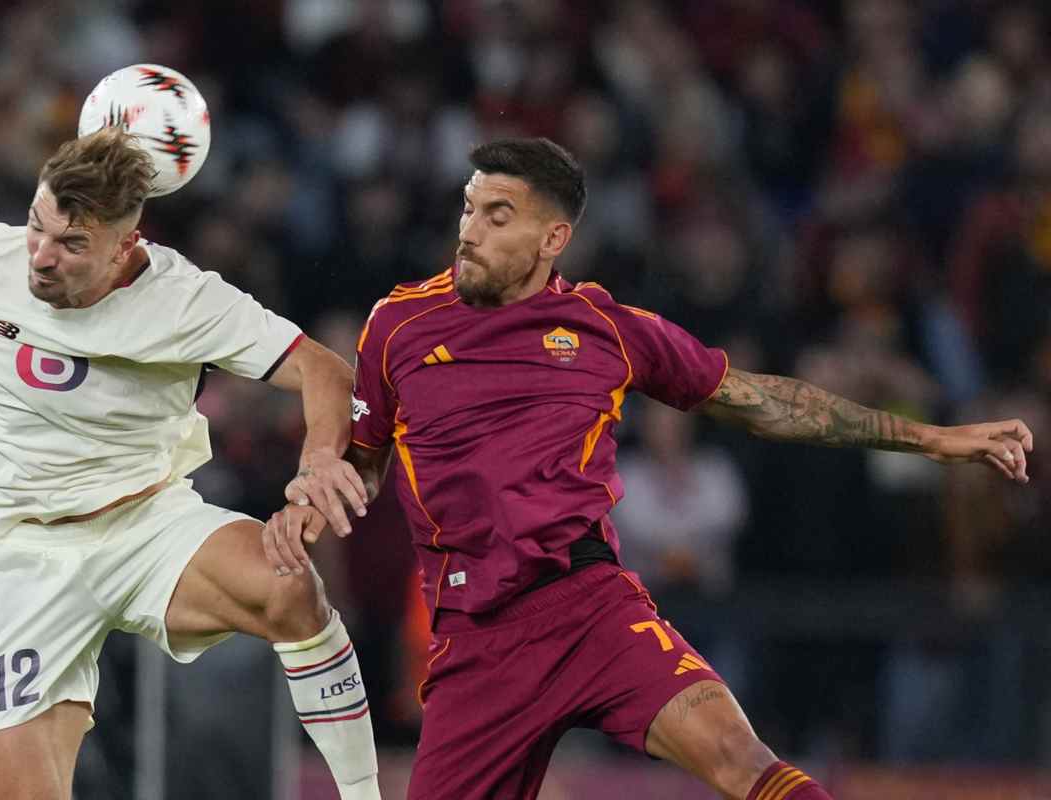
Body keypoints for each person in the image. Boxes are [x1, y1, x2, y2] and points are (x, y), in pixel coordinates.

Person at [263, 137, 1035, 800]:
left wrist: (931, 440)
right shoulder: (397, 325)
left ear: (551, 239)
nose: (469, 232)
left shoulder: (604, 328)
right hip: (475, 643)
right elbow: (361, 467)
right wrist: (318, 488)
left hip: (589, 606)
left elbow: (760, 401)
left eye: (498, 217)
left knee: (742, 759)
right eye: (468, 208)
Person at [0, 127, 382, 800]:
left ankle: (366, 794)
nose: (42, 258)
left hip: (147, 522)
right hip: (22, 550)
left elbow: (322, 368)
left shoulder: (184, 300)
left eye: (73, 245)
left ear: (124, 246)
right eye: (36, 229)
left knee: (289, 586)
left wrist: (314, 466)